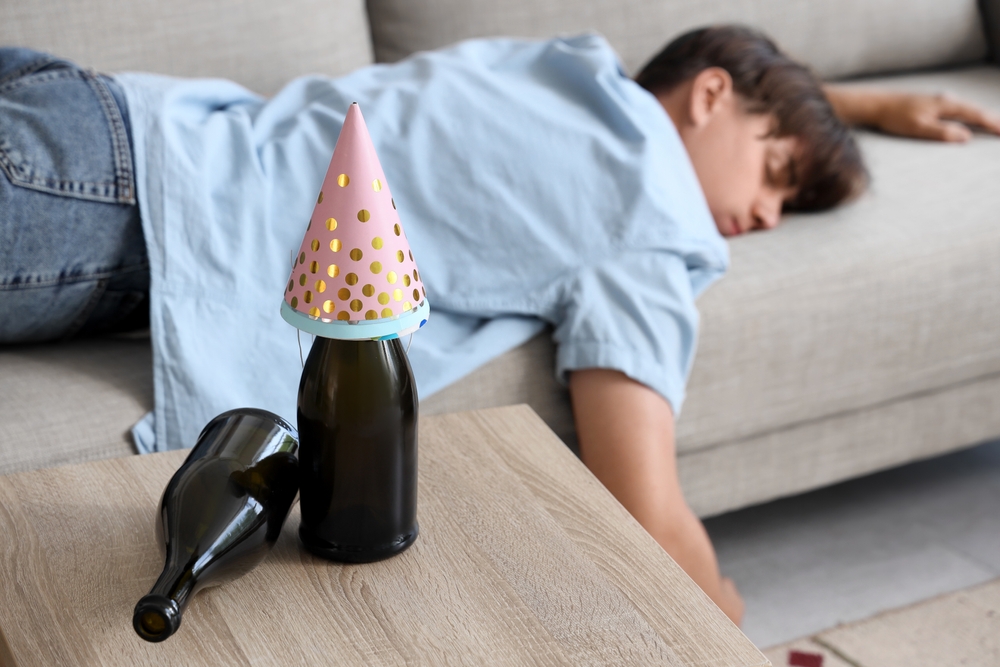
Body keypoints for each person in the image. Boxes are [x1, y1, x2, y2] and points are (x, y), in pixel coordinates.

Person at [2, 26, 998, 626]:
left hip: (97, 112)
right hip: (116, 200)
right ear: (708, 97)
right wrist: (719, 610)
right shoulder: (649, 210)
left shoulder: (574, 69)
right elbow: (643, 503)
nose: (767, 216)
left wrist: (848, 106)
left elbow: (726, 82)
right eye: (779, 174)